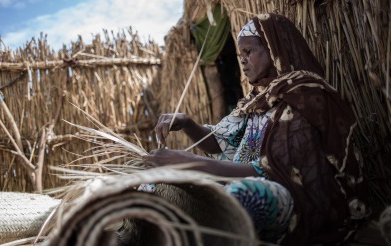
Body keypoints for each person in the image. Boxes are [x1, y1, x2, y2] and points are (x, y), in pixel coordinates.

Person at [142, 13, 369, 245]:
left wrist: (189, 163)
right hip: (239, 181)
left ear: (273, 49)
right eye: (240, 54)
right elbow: (218, 142)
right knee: (153, 185)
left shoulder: (304, 96)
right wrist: (187, 122)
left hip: (293, 198)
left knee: (242, 197)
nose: (242, 60)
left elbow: (275, 172)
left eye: (248, 52)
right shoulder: (257, 100)